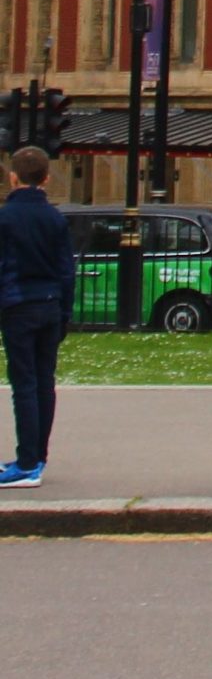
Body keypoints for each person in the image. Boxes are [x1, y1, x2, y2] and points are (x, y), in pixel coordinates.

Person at [0, 145, 77, 487]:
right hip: (50, 304)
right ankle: (37, 457)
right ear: (46, 178)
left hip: (18, 304)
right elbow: (66, 271)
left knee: (24, 384)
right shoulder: (55, 218)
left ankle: (27, 462)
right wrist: (64, 313)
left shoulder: (5, 218)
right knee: (45, 383)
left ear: (12, 177)